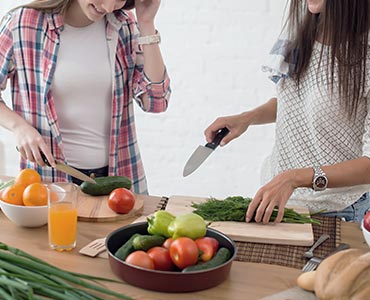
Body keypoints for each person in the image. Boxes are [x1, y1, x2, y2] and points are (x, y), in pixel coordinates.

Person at [205, 0, 370, 224]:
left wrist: (294, 178)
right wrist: (247, 118)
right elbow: (296, 101)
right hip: (280, 202)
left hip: (337, 212)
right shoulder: (301, 33)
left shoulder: (364, 56)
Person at [0, 0, 171, 194]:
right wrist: (19, 128)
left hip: (117, 181)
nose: (108, 7)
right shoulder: (22, 24)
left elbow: (156, 102)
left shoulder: (124, 25)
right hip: (49, 181)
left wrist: (146, 24)